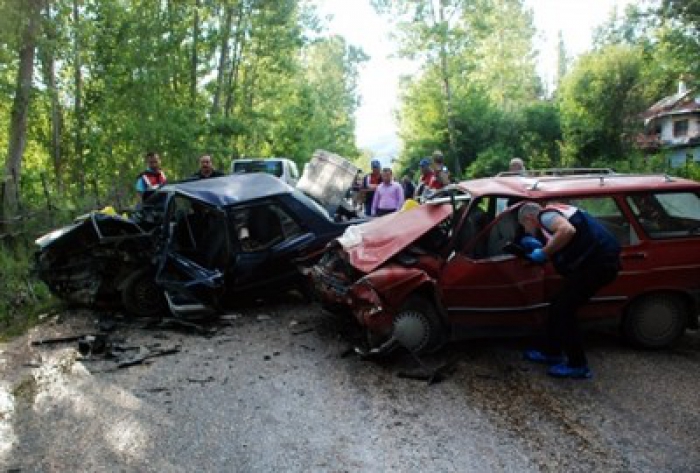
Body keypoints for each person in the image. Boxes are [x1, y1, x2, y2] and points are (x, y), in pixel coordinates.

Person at [517, 201, 621, 379]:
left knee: (564, 309)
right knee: (557, 305)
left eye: (524, 226)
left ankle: (578, 365)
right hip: (597, 263)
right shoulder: (558, 210)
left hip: (599, 264)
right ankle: (551, 352)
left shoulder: (546, 216)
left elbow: (567, 231)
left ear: (529, 217)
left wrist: (543, 253)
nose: (527, 230)